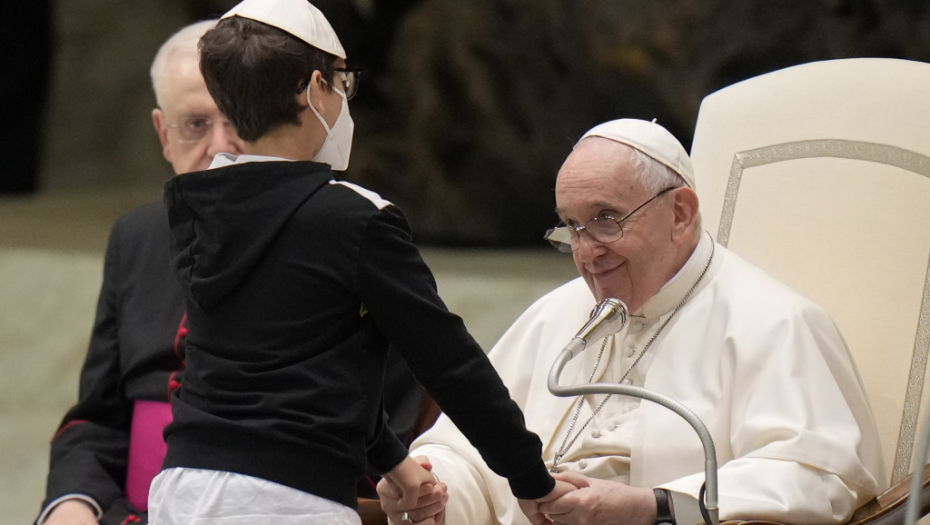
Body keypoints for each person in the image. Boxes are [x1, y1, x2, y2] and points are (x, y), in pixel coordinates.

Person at [147, 1, 571, 525]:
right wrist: (530, 478)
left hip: (181, 488)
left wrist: (394, 462)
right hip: (288, 500)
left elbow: (299, 363)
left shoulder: (197, 208)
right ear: (313, 89)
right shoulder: (357, 218)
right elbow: (448, 362)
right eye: (341, 83)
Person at [381, 118, 886, 525]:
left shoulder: (775, 324)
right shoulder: (556, 314)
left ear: (680, 213)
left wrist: (651, 506)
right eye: (572, 228)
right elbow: (467, 451)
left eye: (606, 220)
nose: (586, 253)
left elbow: (820, 478)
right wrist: (433, 486)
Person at [37, 19, 427, 525]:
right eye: (196, 124)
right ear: (163, 135)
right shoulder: (136, 236)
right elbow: (98, 418)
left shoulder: (349, 232)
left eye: (235, 121)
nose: (222, 145)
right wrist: (72, 503)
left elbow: (377, 425)